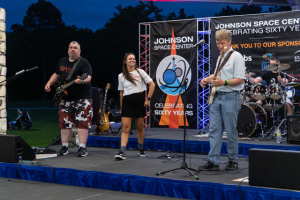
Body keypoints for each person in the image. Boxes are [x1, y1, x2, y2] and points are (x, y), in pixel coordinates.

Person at [199, 29, 245, 171]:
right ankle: (213, 161)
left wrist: (223, 83)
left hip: (231, 97)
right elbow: (218, 74)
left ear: (229, 41)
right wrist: (208, 78)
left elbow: (240, 79)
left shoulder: (237, 56)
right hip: (217, 96)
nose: (220, 46)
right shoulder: (220, 57)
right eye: (218, 43)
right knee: (214, 130)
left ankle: (233, 160)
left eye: (222, 43)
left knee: (231, 130)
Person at [45, 41, 93, 157]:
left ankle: (82, 148)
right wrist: (49, 83)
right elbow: (57, 74)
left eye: (75, 48)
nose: (73, 50)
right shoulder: (62, 61)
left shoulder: (84, 63)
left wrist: (81, 80)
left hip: (82, 97)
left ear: (79, 51)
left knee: (82, 122)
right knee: (64, 122)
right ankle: (64, 146)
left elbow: (88, 78)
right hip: (65, 98)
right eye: (71, 48)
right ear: (68, 50)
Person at [115, 53, 155, 160]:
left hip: (139, 101)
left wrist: (148, 99)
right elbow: (121, 93)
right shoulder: (121, 75)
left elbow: (152, 84)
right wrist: (122, 107)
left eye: (134, 58)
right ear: (125, 61)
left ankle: (141, 149)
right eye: (130, 59)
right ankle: (122, 152)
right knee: (126, 127)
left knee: (140, 127)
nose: (132, 60)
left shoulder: (140, 72)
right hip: (127, 102)